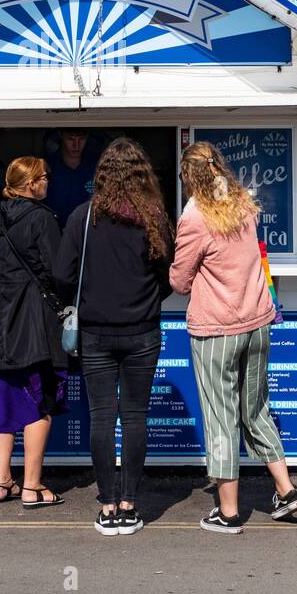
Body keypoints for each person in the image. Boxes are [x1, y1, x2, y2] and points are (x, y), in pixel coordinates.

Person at [170, 141, 297, 533]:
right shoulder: (243, 203)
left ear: (188, 178)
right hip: (259, 321)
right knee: (256, 409)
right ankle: (285, 488)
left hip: (217, 329)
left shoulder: (194, 217)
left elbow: (179, 280)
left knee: (220, 417)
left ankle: (228, 512)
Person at [54, 137, 173, 535]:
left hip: (95, 334)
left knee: (102, 418)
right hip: (142, 331)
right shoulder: (153, 216)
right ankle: (129, 504)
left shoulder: (82, 218)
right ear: (143, 174)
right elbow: (168, 279)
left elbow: (62, 276)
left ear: (102, 175)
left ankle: (107, 506)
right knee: (136, 417)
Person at [0, 156, 67, 508]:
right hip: (33, 329)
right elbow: (61, 273)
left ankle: (1, 483)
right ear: (31, 185)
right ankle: (32, 486)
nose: (48, 182)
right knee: (38, 405)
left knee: (4, 407)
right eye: (45, 177)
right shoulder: (42, 219)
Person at [45, 128, 100, 226]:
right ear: (61, 136)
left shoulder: (98, 165)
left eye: (81, 139)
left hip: (89, 231)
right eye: (70, 139)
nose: (76, 145)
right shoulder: (47, 166)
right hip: (55, 231)